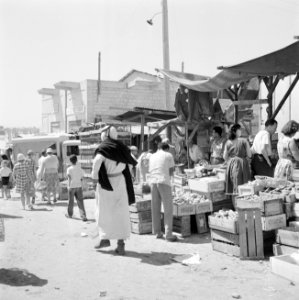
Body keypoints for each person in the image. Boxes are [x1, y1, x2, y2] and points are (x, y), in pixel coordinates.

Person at [91, 126, 137, 255]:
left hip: (106, 184)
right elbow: (131, 162)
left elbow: (97, 163)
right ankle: (120, 244)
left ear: (105, 135)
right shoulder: (122, 148)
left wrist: (94, 178)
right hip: (121, 183)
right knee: (120, 213)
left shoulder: (103, 149)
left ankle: (104, 239)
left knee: (103, 212)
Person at [148, 142, 177, 242]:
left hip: (153, 181)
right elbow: (171, 171)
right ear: (167, 149)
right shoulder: (168, 155)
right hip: (163, 181)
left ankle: (157, 232)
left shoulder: (152, 156)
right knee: (168, 208)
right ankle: (168, 234)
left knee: (155, 207)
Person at [223, 124, 251, 201]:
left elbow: (225, 157)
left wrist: (231, 160)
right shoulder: (244, 141)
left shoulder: (228, 142)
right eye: (240, 129)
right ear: (235, 131)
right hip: (242, 165)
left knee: (234, 189)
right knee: (244, 187)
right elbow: (249, 154)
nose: (241, 131)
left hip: (231, 165)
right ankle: (243, 206)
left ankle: (236, 209)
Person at [65, 154, 87, 221]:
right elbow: (82, 178)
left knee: (71, 201)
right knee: (80, 201)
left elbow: (69, 178)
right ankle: (83, 216)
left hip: (72, 186)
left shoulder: (69, 169)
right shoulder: (80, 169)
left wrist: (68, 186)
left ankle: (70, 214)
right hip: (79, 186)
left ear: (70, 161)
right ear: (76, 160)